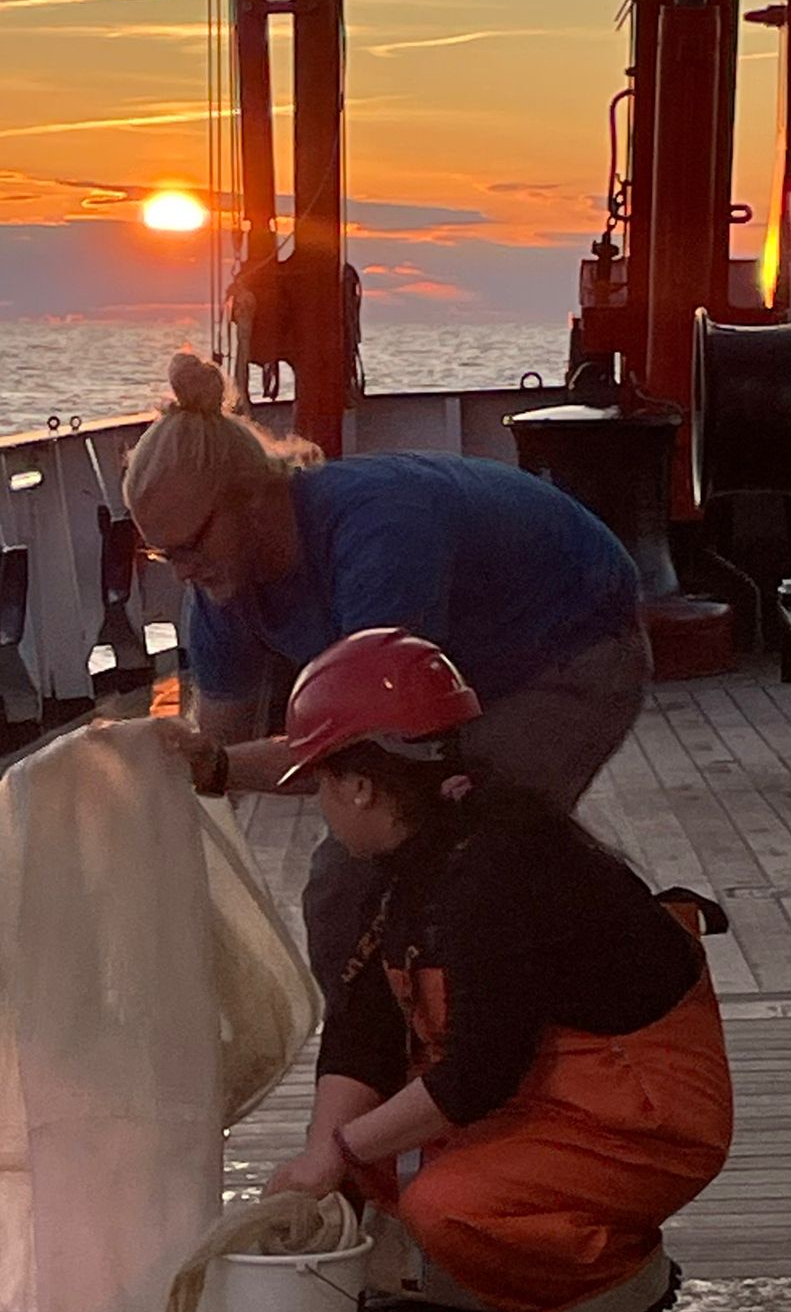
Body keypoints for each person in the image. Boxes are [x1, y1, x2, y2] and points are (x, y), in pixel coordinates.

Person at [168, 627, 733, 1312]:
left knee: (449, 1205)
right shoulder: (421, 845)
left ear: (362, 786)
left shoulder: (497, 874)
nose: (323, 806)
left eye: (322, 783)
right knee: (358, 1156)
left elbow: (481, 1074)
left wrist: (336, 1150)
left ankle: (613, 1298)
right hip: (557, 1081)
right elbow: (365, 1022)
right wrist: (324, 1154)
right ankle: (451, 1295)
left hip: (643, 1112)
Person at [125, 352, 649, 1003]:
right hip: (462, 671)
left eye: (190, 545)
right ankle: (383, 1070)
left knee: (457, 863)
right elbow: (212, 764)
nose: (180, 570)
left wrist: (221, 767)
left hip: (572, 646)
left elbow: (370, 752)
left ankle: (553, 1025)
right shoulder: (219, 589)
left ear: (252, 494)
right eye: (161, 552)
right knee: (355, 890)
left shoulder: (377, 535)